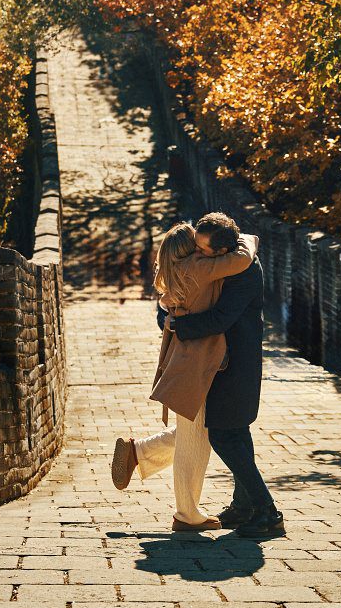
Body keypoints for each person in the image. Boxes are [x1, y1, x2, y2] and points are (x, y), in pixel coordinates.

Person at [109, 220, 258, 532]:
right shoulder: (199, 268)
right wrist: (247, 239)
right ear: (189, 252)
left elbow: (164, 311)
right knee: (195, 437)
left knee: (198, 431)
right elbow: (242, 259)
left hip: (186, 359)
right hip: (197, 362)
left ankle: (139, 452)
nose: (202, 253)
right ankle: (186, 513)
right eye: (196, 248)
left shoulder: (173, 273)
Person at [169, 213, 283, 538]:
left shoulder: (243, 272)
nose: (196, 254)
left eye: (202, 251)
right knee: (238, 434)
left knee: (223, 435)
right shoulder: (228, 261)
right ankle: (244, 506)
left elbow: (221, 318)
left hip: (237, 365)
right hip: (222, 361)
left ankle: (268, 512)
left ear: (222, 252)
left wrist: (179, 325)